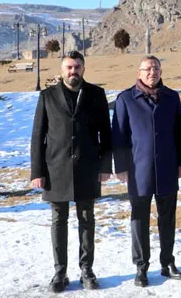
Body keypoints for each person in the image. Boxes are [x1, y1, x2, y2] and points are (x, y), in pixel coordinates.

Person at [30, 50, 112, 293]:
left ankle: (87, 270)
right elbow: (38, 136)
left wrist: (105, 167)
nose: (73, 71)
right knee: (59, 221)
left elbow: (105, 133)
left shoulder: (96, 94)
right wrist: (37, 171)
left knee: (87, 220)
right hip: (55, 170)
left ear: (83, 69)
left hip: (87, 168)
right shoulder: (47, 96)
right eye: (69, 67)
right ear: (61, 70)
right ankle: (60, 272)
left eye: (77, 67)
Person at [112, 55, 181, 287]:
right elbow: (119, 136)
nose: (152, 72)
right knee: (139, 219)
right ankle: (141, 267)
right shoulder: (126, 99)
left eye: (156, 68)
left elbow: (179, 133)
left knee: (167, 218)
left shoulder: (172, 98)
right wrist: (121, 167)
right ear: (139, 73)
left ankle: (167, 262)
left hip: (166, 167)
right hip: (139, 170)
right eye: (147, 69)